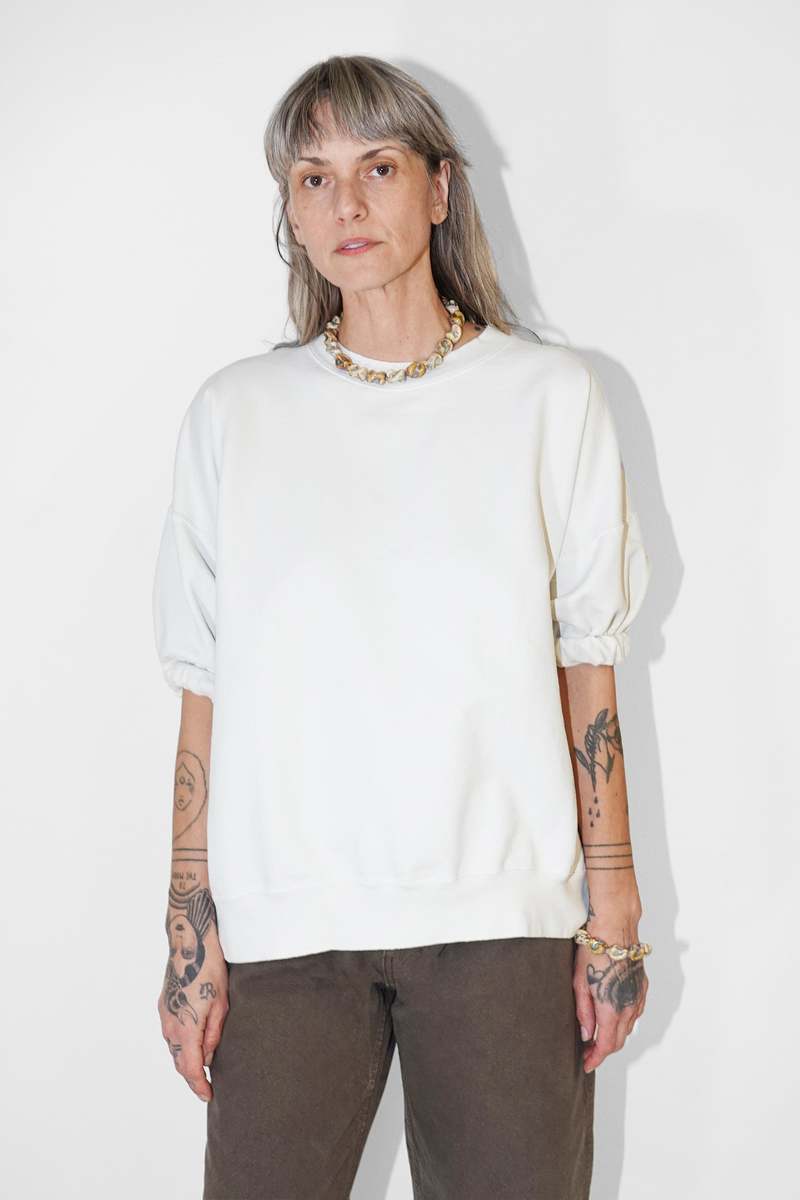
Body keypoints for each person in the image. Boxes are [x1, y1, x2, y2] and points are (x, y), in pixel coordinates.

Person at [152, 54, 653, 1200]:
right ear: (289, 213)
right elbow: (202, 681)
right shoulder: (234, 415)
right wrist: (188, 935)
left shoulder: (547, 398)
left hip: (500, 927)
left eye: (377, 167)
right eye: (312, 178)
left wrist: (613, 915)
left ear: (438, 188)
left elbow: (586, 665)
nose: (346, 203)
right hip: (286, 934)